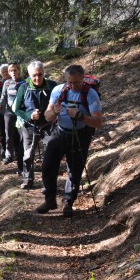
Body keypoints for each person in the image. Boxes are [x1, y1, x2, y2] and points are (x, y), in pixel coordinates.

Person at [36, 64, 103, 217]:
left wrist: (80, 116)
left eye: (76, 82)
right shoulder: (58, 91)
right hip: (59, 132)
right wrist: (54, 111)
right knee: (47, 167)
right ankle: (50, 200)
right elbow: (47, 116)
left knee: (74, 170)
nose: (72, 86)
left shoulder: (90, 94)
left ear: (83, 78)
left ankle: (68, 202)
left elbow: (98, 122)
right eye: (69, 82)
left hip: (80, 135)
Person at [13, 60, 57, 190]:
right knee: (28, 154)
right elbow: (17, 109)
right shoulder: (24, 87)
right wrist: (29, 116)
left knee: (50, 154)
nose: (37, 78)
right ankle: (28, 180)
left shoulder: (53, 85)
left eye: (40, 74)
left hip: (48, 126)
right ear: (29, 75)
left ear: (44, 73)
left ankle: (48, 182)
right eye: (34, 75)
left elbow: (60, 101)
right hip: (28, 127)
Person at [0, 62, 25, 174]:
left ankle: (21, 164)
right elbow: (4, 97)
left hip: (21, 114)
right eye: (11, 71)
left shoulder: (25, 83)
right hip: (8, 113)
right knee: (8, 135)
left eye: (15, 70)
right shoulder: (7, 83)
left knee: (20, 138)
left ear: (19, 71)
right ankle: (9, 155)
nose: (13, 72)